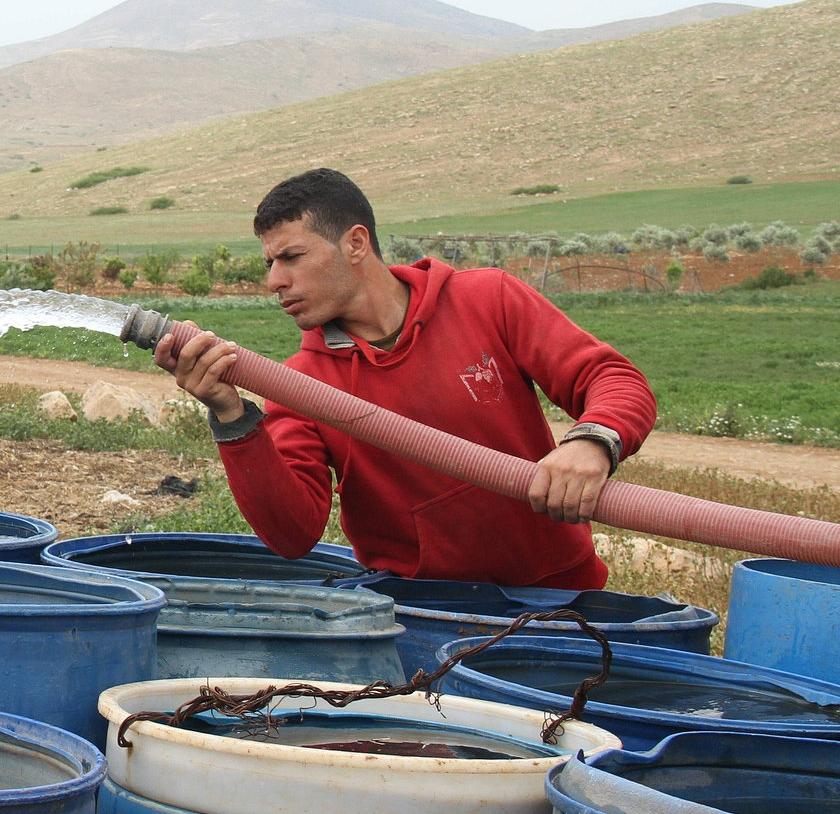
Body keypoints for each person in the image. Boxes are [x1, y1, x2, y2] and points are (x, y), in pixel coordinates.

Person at [155, 168, 656, 589]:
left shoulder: (487, 300)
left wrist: (592, 443)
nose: (274, 281)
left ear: (355, 243)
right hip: (420, 616)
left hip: (561, 596)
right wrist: (230, 413)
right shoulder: (301, 384)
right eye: (269, 263)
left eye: (291, 257)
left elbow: (611, 377)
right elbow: (292, 535)